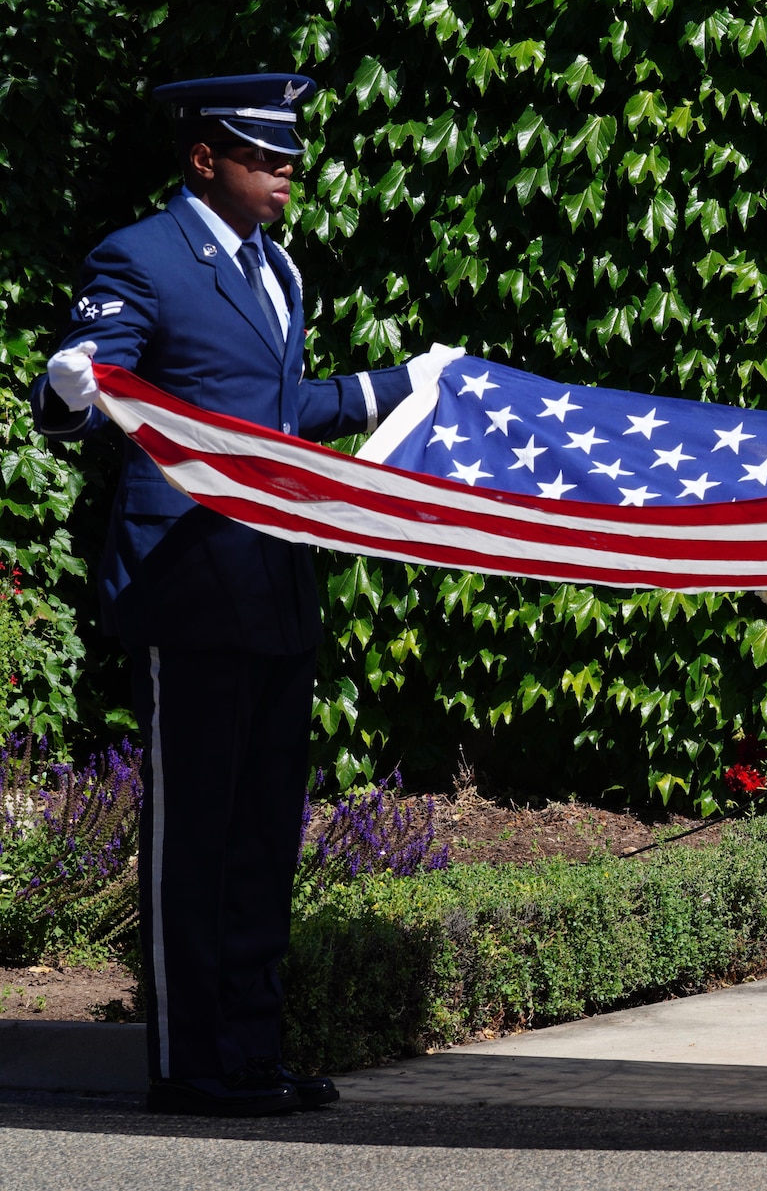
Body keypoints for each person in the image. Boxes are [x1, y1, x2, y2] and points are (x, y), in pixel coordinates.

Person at [31, 74, 458, 1116]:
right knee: (196, 836)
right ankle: (190, 1063)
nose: (285, 177)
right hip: (186, 579)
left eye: (288, 162)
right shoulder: (141, 257)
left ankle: (253, 1051)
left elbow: (275, 408)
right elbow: (92, 391)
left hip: (272, 573)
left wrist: (405, 382)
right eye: (265, 160)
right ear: (204, 158)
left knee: (266, 829)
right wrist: (65, 388)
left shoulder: (274, 266)